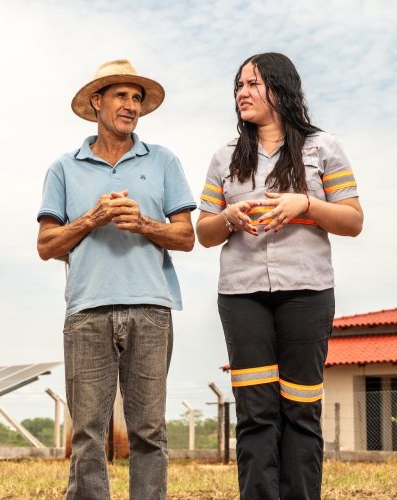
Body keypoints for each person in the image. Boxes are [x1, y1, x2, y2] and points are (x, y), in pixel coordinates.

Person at [196, 52, 363, 499]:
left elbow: (352, 220)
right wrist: (229, 215)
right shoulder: (225, 157)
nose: (242, 94)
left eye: (252, 84)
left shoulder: (323, 147)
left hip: (307, 292)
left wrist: (305, 204)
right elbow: (203, 233)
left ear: (281, 89)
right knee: (256, 410)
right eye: (238, 86)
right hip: (241, 295)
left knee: (301, 408)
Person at [37, 59, 196, 499]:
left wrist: (144, 223)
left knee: (149, 430)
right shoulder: (64, 168)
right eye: (121, 96)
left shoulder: (163, 161)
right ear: (97, 102)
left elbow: (186, 237)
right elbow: (47, 245)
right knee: (88, 433)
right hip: (87, 309)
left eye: (137, 98)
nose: (131, 106)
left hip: (151, 306)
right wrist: (92, 218)